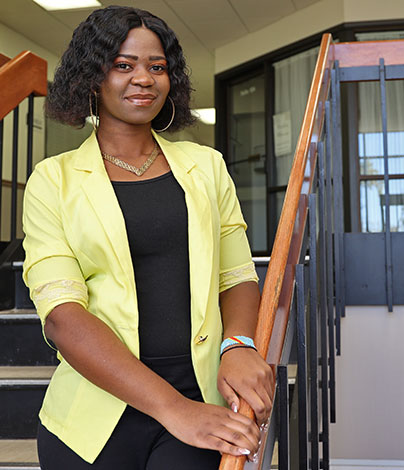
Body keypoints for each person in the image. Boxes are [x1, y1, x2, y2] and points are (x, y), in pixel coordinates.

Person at [21, 6, 274, 469]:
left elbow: (237, 274)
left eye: (156, 67)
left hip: (202, 394)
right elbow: (61, 316)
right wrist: (175, 411)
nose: (144, 78)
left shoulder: (207, 167)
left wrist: (238, 346)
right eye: (123, 65)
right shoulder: (52, 180)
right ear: (91, 78)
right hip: (93, 415)